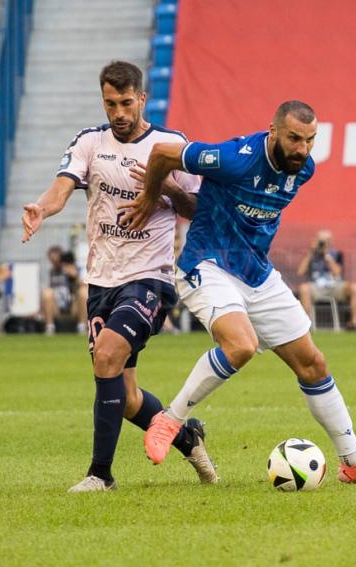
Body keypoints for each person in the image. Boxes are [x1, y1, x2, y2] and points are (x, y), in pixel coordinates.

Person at [124, 100, 356, 485]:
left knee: (313, 363)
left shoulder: (303, 170)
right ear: (272, 131)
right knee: (240, 346)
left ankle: (354, 462)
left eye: (309, 140)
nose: (301, 149)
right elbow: (161, 152)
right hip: (206, 264)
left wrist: (181, 195)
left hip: (256, 271)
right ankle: (169, 420)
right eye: (293, 138)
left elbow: (216, 206)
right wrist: (151, 194)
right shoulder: (235, 158)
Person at [20, 60, 217, 492]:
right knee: (126, 398)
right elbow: (62, 188)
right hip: (102, 282)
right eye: (111, 104)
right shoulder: (90, 142)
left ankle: (100, 475)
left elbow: (200, 212)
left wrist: (161, 186)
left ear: (142, 98)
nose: (119, 113)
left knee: (107, 356)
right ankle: (188, 437)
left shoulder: (171, 145)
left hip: (150, 279)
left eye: (127, 103)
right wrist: (41, 208)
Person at [297, 229, 356, 330]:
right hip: (316, 287)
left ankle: (354, 323)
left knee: (355, 287)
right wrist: (311, 253)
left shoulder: (337, 254)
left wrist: (326, 255)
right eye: (321, 241)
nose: (323, 243)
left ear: (331, 241)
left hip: (335, 286)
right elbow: (300, 272)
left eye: (326, 240)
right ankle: (306, 326)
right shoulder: (311, 255)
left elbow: (337, 272)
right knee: (303, 288)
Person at [41, 246, 88, 335]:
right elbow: (44, 295)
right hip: (56, 307)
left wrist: (75, 276)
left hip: (73, 306)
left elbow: (88, 287)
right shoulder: (50, 272)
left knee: (83, 291)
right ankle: (49, 327)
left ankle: (82, 326)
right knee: (47, 292)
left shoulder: (76, 269)